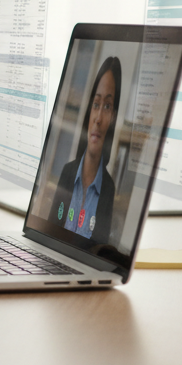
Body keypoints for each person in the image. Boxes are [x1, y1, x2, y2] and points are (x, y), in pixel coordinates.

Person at [47, 56, 122, 243]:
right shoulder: (67, 172)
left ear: (113, 117)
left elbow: (99, 250)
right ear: (89, 111)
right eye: (96, 105)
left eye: (107, 107)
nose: (98, 118)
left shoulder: (108, 189)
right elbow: (49, 234)